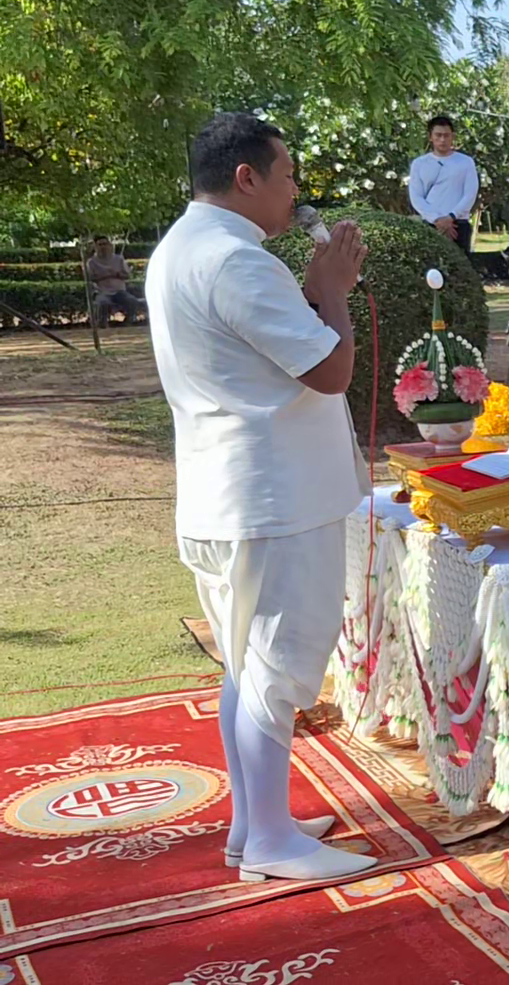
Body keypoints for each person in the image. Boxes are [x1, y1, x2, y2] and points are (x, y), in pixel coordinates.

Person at [146, 112, 375, 883]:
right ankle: (271, 842)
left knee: (247, 667)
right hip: (274, 500)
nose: (295, 192)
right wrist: (331, 291)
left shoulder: (185, 246)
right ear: (246, 178)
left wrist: (313, 292)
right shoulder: (237, 261)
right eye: (287, 176)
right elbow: (330, 372)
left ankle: (255, 826)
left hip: (232, 492)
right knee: (274, 672)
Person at [407, 114, 479, 253]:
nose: (442, 140)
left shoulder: (466, 162)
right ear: (430, 137)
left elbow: (470, 194)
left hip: (458, 225)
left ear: (453, 136)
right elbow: (416, 197)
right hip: (430, 224)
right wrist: (437, 220)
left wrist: (451, 217)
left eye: (446, 135)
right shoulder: (419, 164)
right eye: (438, 135)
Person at [84, 235, 145, 326]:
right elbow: (90, 278)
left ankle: (128, 323)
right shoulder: (91, 262)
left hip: (119, 292)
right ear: (95, 247)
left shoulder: (119, 259)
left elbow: (127, 275)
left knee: (132, 301)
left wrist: (116, 274)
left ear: (109, 245)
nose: (103, 247)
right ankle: (102, 324)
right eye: (100, 245)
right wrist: (106, 275)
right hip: (101, 292)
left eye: (105, 244)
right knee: (103, 303)